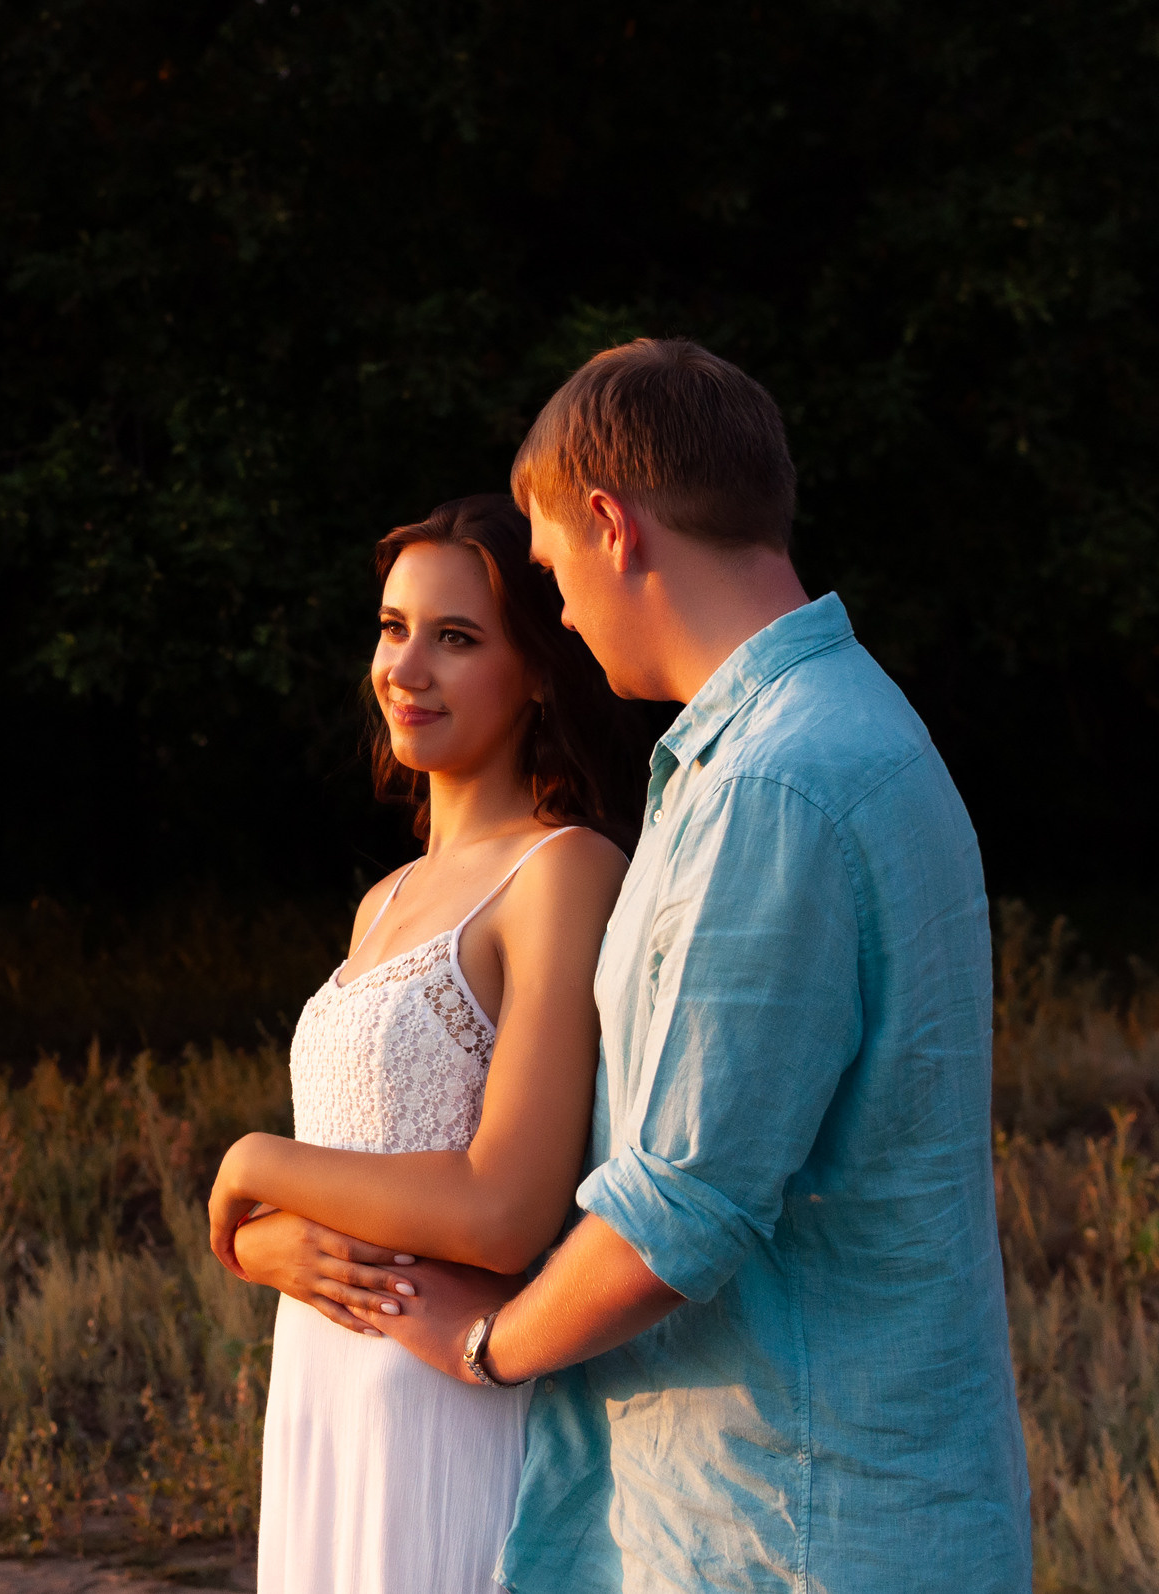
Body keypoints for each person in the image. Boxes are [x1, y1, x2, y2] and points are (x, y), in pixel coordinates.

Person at [341, 339, 1033, 1590]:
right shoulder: (835, 732)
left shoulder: (774, 780)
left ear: (613, 524)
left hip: (790, 1525)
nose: (556, 612)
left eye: (550, 570)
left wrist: (488, 1345)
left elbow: (678, 1213)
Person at [206, 493, 651, 1593]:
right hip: (323, 1395)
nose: (407, 667)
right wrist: (259, 1242)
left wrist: (252, 1168)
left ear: (540, 669)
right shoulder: (384, 900)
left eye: (456, 638)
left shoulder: (564, 870)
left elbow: (505, 1212)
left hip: (441, 1410)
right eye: (394, 626)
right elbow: (358, 1170)